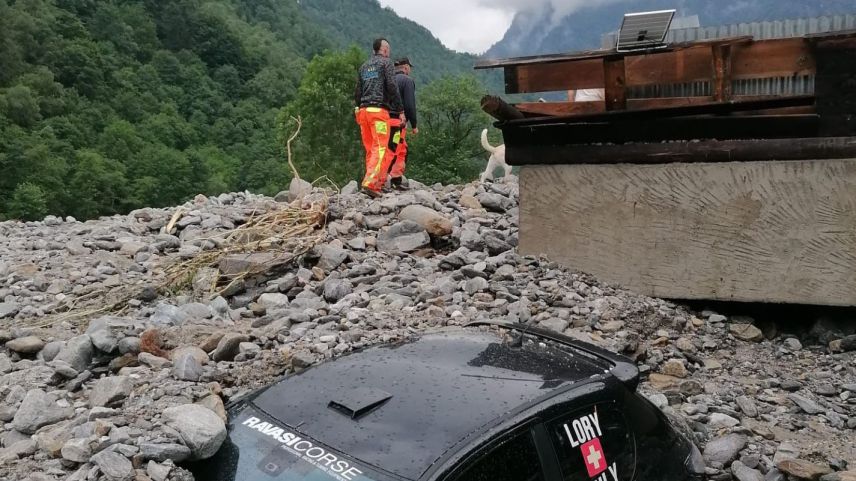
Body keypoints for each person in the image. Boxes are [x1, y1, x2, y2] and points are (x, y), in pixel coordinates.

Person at [353, 38, 405, 198]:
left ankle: (375, 182)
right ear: (384, 50)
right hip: (378, 112)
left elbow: (357, 92)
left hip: (363, 112)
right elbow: (391, 85)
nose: (389, 51)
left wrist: (359, 107)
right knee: (381, 148)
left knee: (370, 149)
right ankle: (369, 183)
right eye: (388, 49)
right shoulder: (386, 63)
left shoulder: (364, 67)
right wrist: (400, 109)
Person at [387, 57, 418, 190]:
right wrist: (414, 125)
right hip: (397, 121)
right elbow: (410, 105)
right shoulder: (407, 81)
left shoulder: (386, 79)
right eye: (409, 67)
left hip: (382, 119)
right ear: (405, 67)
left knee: (386, 148)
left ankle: (383, 178)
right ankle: (393, 179)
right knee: (399, 150)